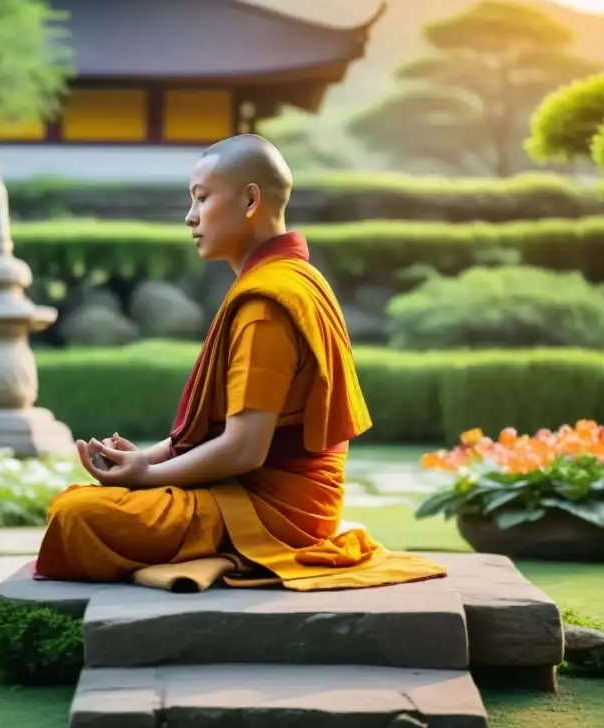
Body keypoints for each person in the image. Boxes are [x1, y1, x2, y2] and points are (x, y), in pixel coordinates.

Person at [34, 134, 446, 591]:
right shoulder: (292, 280)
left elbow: (244, 449)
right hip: (266, 498)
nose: (190, 217)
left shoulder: (267, 303)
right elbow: (225, 439)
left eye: (202, 198)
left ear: (250, 200)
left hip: (272, 514)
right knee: (83, 505)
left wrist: (149, 476)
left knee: (77, 514)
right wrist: (144, 461)